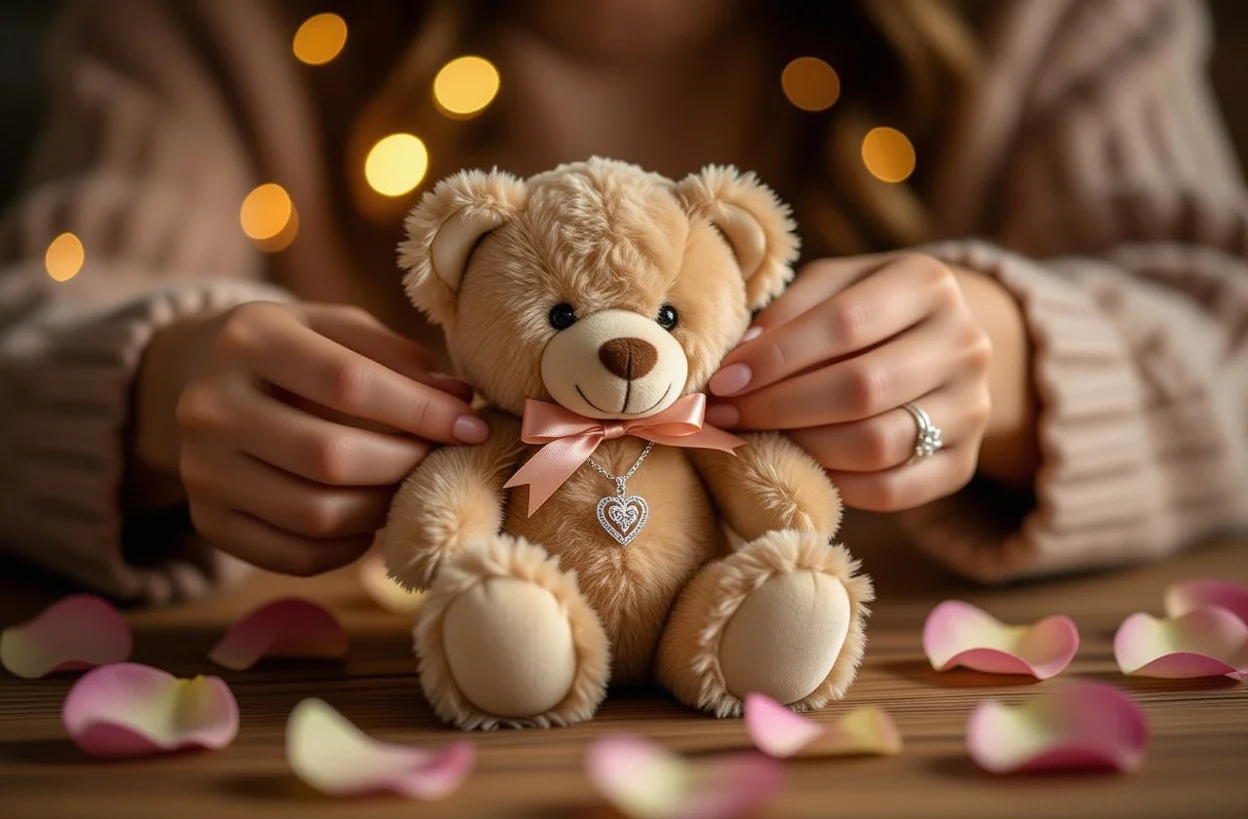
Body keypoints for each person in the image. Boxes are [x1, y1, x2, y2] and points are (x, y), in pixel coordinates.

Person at [0, 0, 1244, 605]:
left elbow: (1222, 327)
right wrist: (149, 391)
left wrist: (1023, 360)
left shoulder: (1061, 18)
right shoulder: (207, 22)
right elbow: (40, 309)